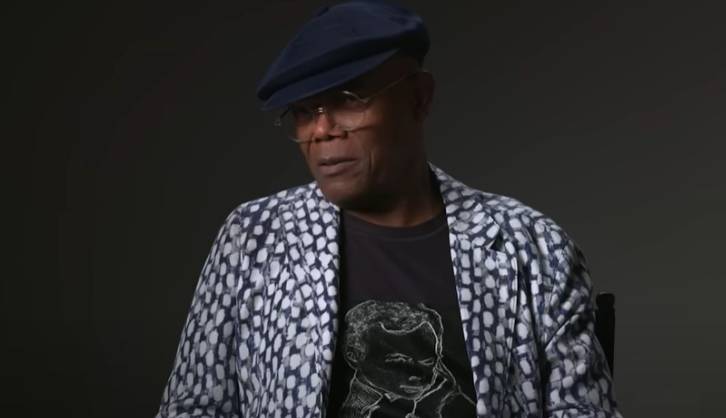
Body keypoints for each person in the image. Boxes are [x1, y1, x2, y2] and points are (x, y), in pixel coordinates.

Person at [155, 1, 622, 417]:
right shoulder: (254, 239)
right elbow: (194, 407)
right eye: (303, 110)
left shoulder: (534, 248)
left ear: (419, 98)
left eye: (346, 100)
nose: (322, 130)